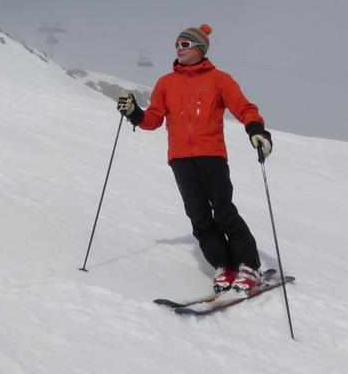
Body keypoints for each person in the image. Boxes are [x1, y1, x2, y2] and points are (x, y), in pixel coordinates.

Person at [116, 24, 272, 292]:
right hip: (180, 158)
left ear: (201, 49)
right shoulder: (166, 83)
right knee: (198, 215)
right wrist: (135, 114)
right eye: (177, 43)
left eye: (185, 44)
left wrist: (256, 130)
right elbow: (153, 119)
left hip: (211, 154)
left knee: (223, 211)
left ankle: (248, 266)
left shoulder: (220, 79)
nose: (179, 48)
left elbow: (243, 107)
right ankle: (225, 266)